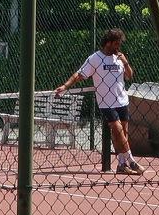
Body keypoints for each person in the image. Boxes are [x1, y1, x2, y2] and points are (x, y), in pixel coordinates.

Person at [58, 28, 142, 176]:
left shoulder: (120, 57)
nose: (118, 46)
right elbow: (79, 74)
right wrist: (65, 86)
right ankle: (132, 160)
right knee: (117, 130)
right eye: (116, 43)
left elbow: (129, 76)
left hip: (122, 100)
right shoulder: (95, 58)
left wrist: (126, 62)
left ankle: (122, 164)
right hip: (106, 103)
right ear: (108, 43)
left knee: (123, 133)